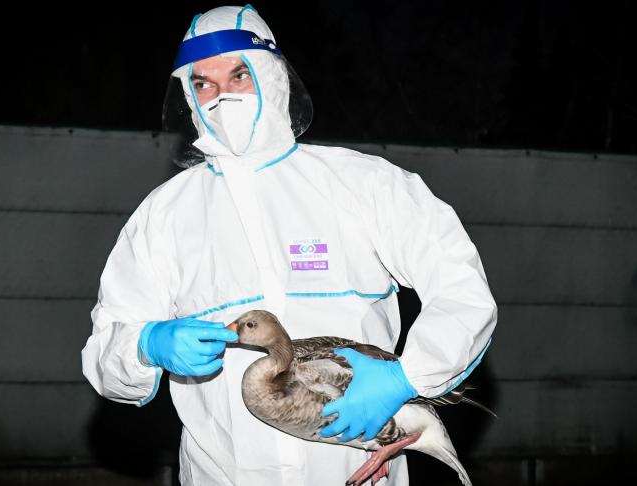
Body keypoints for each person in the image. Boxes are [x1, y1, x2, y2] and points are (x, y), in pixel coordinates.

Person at [81, 5, 497, 485]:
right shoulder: (164, 215)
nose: (220, 97)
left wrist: (409, 376)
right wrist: (146, 345)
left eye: (239, 74)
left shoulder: (363, 183)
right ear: (188, 97)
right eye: (203, 84)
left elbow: (462, 289)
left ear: (273, 76)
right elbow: (105, 354)